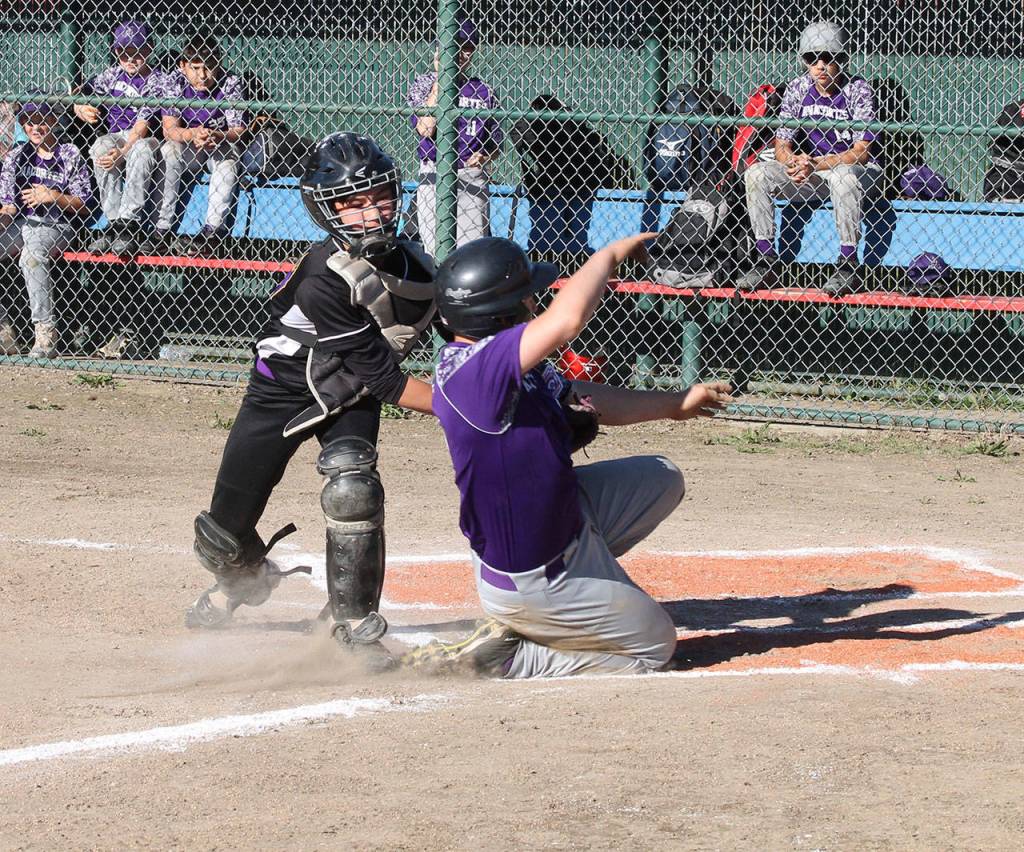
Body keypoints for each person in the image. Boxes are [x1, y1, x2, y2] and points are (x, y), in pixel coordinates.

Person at [401, 235, 732, 678]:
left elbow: (586, 398)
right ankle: (510, 658)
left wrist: (674, 403)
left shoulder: (498, 364)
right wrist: (610, 255)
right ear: (502, 312)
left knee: (661, 477)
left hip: (558, 527)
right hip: (533, 575)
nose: (534, 302)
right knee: (655, 645)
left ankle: (567, 606)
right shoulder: (473, 374)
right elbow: (568, 319)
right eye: (526, 297)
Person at [185, 133, 436, 669]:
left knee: (353, 488)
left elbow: (393, 371)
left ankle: (352, 624)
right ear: (324, 209)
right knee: (220, 538)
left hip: (351, 388)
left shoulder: (419, 265)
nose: (370, 213)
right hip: (281, 387)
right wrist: (467, 412)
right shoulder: (325, 276)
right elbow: (393, 383)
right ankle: (247, 579)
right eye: (351, 202)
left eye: (379, 197)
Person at [738, 21, 882, 296]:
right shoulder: (797, 88)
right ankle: (767, 258)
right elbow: (781, 144)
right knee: (756, 173)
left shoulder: (857, 89)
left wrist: (815, 163)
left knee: (843, 176)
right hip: (811, 171)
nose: (820, 65)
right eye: (812, 58)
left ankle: (849, 263)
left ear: (842, 58)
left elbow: (861, 152)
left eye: (829, 58)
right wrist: (792, 162)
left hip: (856, 173)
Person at [0, 98, 92, 358]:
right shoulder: (17, 156)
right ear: (22, 125)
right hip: (21, 224)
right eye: (29, 122)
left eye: (43, 120)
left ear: (53, 121)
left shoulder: (68, 153)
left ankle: (45, 333)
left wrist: (53, 196)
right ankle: (3, 331)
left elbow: (84, 204)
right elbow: (8, 206)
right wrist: (2, 223)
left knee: (31, 257)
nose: (36, 127)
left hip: (57, 224)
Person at [406, 18, 501, 259]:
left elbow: (496, 141)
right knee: (434, 251)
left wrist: (485, 155)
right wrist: (442, 77)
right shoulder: (424, 83)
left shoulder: (484, 90)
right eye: (454, 45)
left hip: (469, 175)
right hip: (434, 171)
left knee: (471, 253)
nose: (460, 53)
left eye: (467, 46)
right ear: (439, 49)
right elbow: (426, 128)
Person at [74, 21, 167, 259]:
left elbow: (142, 127)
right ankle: (114, 222)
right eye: (124, 52)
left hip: (147, 138)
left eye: (137, 52)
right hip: (117, 135)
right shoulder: (111, 75)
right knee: (101, 146)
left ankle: (129, 223)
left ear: (149, 49)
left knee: (142, 150)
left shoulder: (157, 79)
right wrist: (79, 107)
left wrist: (123, 151)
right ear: (116, 52)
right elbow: (78, 92)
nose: (130, 59)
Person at [511, 94, 633, 259]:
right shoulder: (531, 125)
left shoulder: (577, 129)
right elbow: (518, 138)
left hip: (577, 181)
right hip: (553, 183)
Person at [155, 37, 246, 257]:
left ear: (219, 63)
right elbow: (170, 130)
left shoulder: (230, 81)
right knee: (168, 150)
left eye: (209, 67)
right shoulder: (174, 81)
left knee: (228, 162)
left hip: (218, 144)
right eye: (195, 68)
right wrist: (193, 134)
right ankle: (161, 229)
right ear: (182, 65)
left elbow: (238, 130)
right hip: (188, 144)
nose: (203, 75)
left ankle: (212, 233)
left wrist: (217, 134)